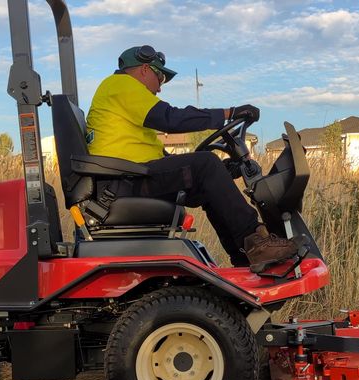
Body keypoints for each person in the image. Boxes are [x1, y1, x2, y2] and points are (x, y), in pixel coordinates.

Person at [86, 45, 304, 271]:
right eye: (160, 77)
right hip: (123, 182)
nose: (159, 88)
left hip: (129, 179)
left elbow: (163, 161)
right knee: (205, 165)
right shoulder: (120, 85)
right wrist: (228, 113)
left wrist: (222, 171)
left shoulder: (120, 100)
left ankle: (244, 257)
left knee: (207, 179)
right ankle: (256, 241)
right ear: (143, 69)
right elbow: (172, 118)